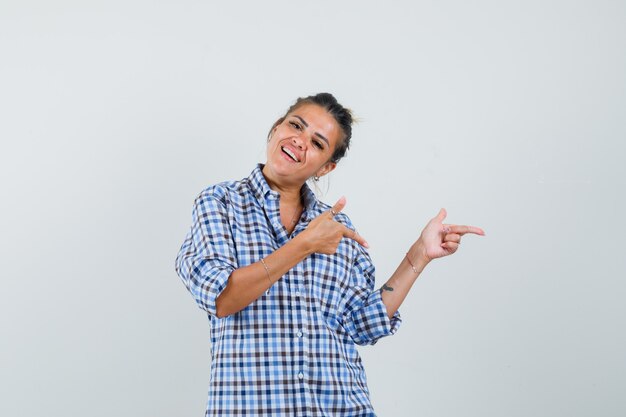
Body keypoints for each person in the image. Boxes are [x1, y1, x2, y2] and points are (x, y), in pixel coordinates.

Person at [175, 92, 485, 416]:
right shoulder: (220, 202)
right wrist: (304, 244)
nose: (300, 140)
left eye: (318, 142)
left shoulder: (336, 226)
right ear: (276, 128)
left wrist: (417, 256)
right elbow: (222, 299)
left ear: (326, 167)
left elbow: (361, 325)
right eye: (296, 125)